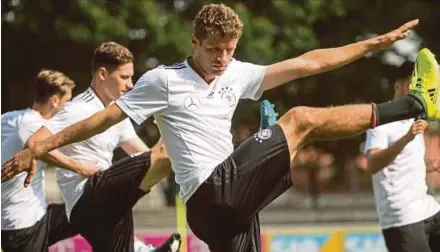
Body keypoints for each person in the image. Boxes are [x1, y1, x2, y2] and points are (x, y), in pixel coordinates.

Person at [2, 4, 440, 252]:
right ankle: (417, 102)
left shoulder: (238, 73)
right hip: (209, 194)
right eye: (213, 49)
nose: (222, 58)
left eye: (230, 49)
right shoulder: (164, 81)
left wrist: (372, 44)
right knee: (301, 119)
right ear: (194, 42)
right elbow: (103, 118)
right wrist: (42, 146)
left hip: (228, 212)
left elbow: (308, 62)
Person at [5, 42, 181, 252]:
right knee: (164, 154)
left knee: (161, 157)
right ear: (103, 74)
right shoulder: (77, 109)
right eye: (124, 77)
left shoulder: (119, 115)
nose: (130, 85)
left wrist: (164, 131)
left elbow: (145, 154)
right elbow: (36, 142)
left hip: (108, 203)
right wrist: (80, 168)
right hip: (85, 199)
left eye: (131, 77)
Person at [1, 70, 86, 252]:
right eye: (67, 102)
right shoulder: (36, 126)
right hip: (24, 221)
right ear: (54, 101)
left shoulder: (8, 118)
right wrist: (84, 169)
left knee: (86, 210)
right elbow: (50, 152)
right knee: (90, 209)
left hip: (15, 217)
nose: (68, 108)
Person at [363, 61, 440, 252]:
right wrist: (406, 138)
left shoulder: (415, 119)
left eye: (420, 86)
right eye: (412, 85)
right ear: (398, 86)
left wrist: (430, 166)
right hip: (402, 220)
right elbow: (372, 164)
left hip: (429, 210)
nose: (417, 91)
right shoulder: (381, 121)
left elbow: (403, 163)